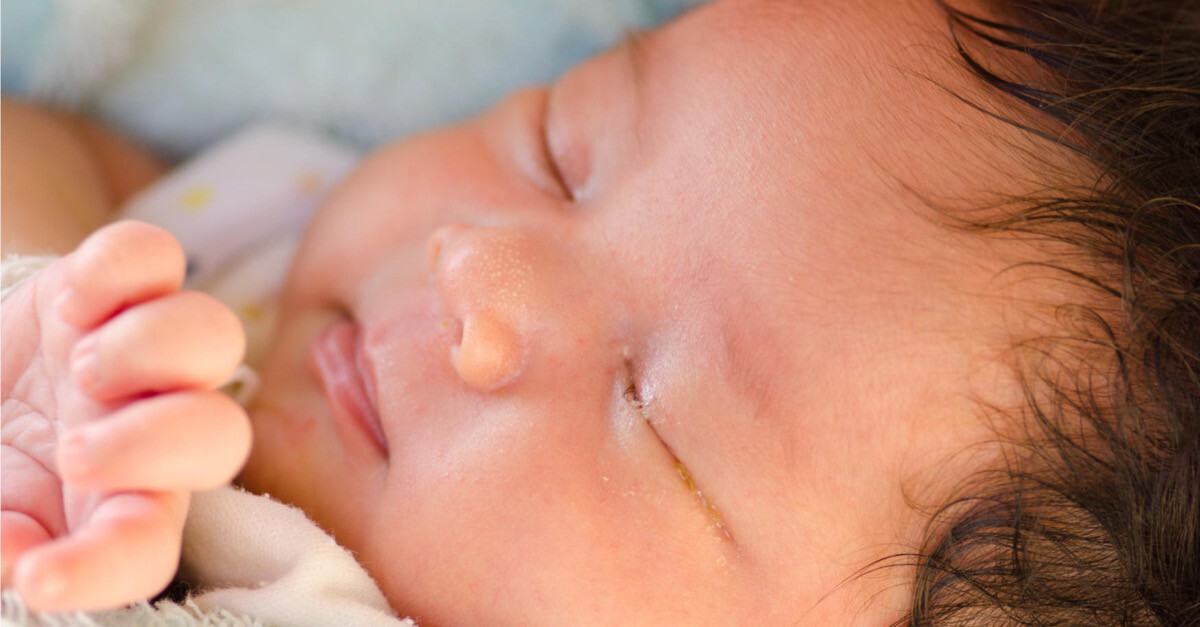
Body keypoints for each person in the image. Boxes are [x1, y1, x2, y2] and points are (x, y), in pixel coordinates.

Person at [3, 0, 1197, 624]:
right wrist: (47, 302)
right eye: (556, 151)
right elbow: (62, 157)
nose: (478, 271)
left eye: (649, 410)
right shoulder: (258, 232)